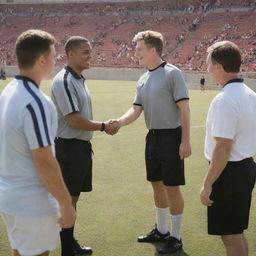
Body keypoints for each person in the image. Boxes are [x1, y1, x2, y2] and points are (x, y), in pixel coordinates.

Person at [0, 29, 76, 256]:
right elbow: (44, 161)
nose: (55, 62)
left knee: (20, 251)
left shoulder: (7, 92)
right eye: (53, 56)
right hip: (31, 202)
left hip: (11, 198)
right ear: (41, 59)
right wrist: (65, 203)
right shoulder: (36, 102)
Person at [116, 30, 191, 254]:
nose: (135, 53)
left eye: (139, 49)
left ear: (153, 49)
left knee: (171, 187)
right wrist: (118, 122)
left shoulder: (173, 74)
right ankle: (161, 230)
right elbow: (136, 109)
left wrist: (185, 141)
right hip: (153, 138)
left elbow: (184, 109)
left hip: (171, 137)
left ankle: (176, 237)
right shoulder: (143, 78)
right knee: (156, 184)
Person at [51, 36, 119, 256]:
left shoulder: (78, 79)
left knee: (72, 199)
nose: (91, 55)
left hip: (79, 149)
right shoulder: (64, 80)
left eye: (90, 51)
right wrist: (103, 126)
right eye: (85, 52)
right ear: (70, 54)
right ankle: (66, 249)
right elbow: (74, 119)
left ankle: (69, 244)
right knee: (68, 201)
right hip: (68, 149)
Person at [200, 41, 256, 256]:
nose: (207, 70)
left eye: (209, 65)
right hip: (244, 167)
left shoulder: (224, 99)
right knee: (234, 231)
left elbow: (223, 147)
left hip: (230, 173)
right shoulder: (250, 94)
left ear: (219, 67)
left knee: (231, 234)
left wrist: (207, 184)